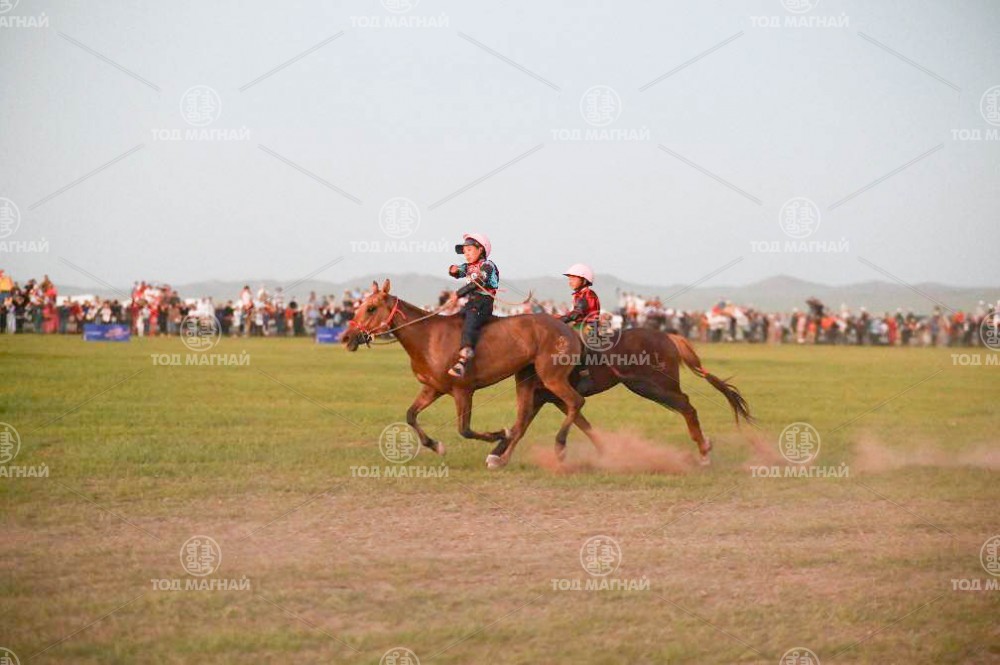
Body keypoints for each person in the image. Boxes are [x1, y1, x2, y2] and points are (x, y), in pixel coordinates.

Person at [446, 233, 499, 378]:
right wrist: (453, 270)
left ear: (480, 249)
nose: (466, 254)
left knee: (471, 321)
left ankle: (463, 360)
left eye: (469, 250)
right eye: (464, 252)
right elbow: (458, 272)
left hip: (483, 302)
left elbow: (480, 281)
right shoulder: (468, 267)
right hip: (471, 302)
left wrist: (458, 293)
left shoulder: (487, 265)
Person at [558, 264, 601, 332]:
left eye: (573, 279)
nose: (570, 282)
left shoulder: (588, 294)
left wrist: (559, 320)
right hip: (580, 326)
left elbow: (576, 313)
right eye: (569, 279)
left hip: (588, 329)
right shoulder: (579, 294)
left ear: (584, 280)